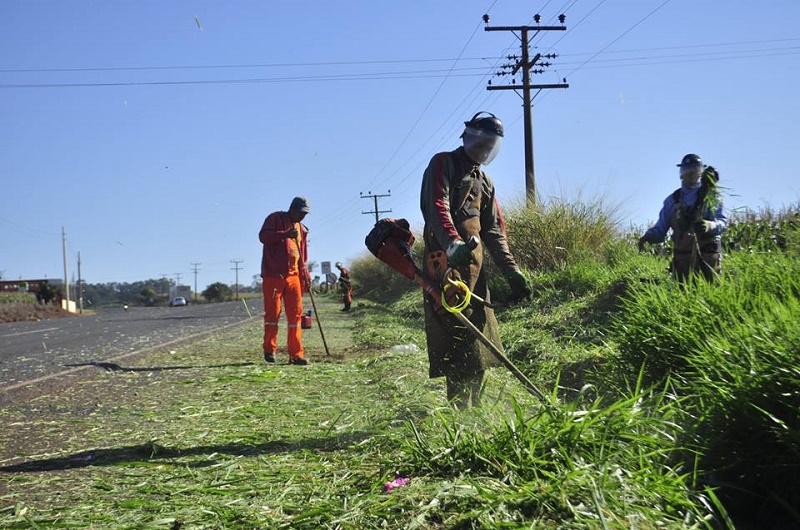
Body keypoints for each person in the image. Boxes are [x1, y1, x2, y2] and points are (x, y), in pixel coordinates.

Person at [419, 111, 532, 410]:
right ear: (467, 137)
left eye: (490, 145)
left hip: (475, 269)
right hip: (443, 262)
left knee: (479, 335)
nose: (483, 149)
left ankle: (476, 405)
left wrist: (512, 271)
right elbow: (437, 207)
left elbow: (494, 230)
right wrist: (452, 242)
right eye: (480, 141)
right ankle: (459, 408)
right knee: (455, 333)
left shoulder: (484, 180)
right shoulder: (442, 163)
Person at [638, 154, 728, 282]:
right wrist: (648, 236)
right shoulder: (672, 201)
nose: (691, 174)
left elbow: (722, 223)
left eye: (695, 170)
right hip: (683, 260)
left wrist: (710, 225)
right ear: (681, 174)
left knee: (711, 292)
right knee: (680, 294)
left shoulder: (711, 196)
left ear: (701, 173)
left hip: (708, 257)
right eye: (687, 170)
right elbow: (660, 230)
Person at [258, 196, 313, 365]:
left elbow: (302, 254)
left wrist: (305, 273)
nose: (303, 217)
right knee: (273, 314)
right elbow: (263, 237)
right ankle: (270, 349)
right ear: (292, 209)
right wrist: (284, 235)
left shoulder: (301, 228)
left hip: (293, 276)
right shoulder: (274, 218)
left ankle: (296, 354)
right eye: (301, 213)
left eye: (305, 214)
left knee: (295, 316)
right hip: (273, 276)